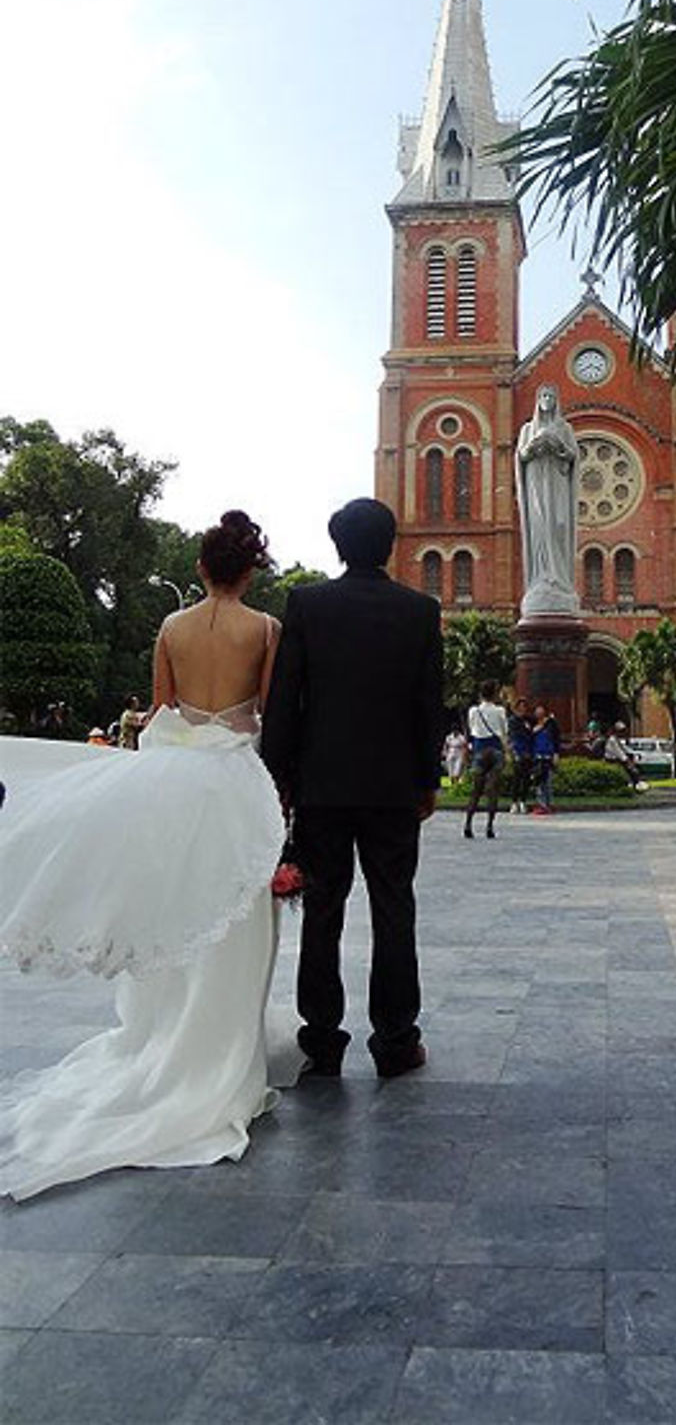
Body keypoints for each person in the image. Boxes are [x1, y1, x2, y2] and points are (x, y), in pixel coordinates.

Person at [0, 509, 286, 1201]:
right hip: (237, 782)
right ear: (249, 571)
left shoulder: (170, 628)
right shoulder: (267, 630)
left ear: (200, 568)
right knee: (236, 921)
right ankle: (222, 1059)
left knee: (170, 905)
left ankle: (165, 1041)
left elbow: (162, 712)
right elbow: (268, 715)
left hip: (172, 777)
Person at [262, 498, 443, 1080]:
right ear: (390, 546)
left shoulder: (309, 605)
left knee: (323, 912)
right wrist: (426, 779)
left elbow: (285, 701)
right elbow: (427, 707)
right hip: (393, 790)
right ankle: (395, 1041)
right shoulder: (419, 610)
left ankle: (322, 1041)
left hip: (323, 788)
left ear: (338, 546)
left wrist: (280, 779)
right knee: (395, 911)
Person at [515, 384, 579, 616]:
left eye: (551, 396)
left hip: (558, 486)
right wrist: (533, 447)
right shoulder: (527, 430)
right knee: (540, 530)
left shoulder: (565, 428)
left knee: (559, 527)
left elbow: (573, 455)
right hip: (537, 489)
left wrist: (559, 447)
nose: (547, 400)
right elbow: (520, 455)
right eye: (543, 395)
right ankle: (541, 579)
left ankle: (559, 580)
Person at [463, 680, 508, 839]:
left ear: (481, 694)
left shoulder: (473, 711)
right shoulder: (500, 711)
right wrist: (508, 753)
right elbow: (504, 733)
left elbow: (472, 729)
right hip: (495, 749)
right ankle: (489, 826)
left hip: (479, 749)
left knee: (476, 791)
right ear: (495, 693)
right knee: (492, 791)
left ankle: (468, 824)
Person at [531, 702, 560, 814]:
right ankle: (541, 804)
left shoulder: (551, 724)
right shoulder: (532, 724)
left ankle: (549, 804)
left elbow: (556, 739)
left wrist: (556, 754)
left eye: (541, 710)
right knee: (538, 781)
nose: (539, 712)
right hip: (537, 755)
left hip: (548, 755)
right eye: (537, 710)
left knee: (548, 781)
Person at [507, 696, 535, 814]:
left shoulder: (529, 720)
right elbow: (516, 736)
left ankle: (523, 801)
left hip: (529, 751)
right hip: (518, 751)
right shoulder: (513, 721)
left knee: (526, 778)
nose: (523, 709)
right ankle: (514, 802)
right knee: (517, 778)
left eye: (525, 707)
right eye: (521, 707)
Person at [604, 721, 643, 789]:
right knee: (630, 772)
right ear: (616, 731)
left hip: (618, 760)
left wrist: (633, 755)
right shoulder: (612, 740)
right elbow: (620, 754)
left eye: (623, 731)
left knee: (633, 771)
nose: (623, 733)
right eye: (621, 731)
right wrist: (629, 763)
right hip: (612, 761)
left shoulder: (618, 740)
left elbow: (625, 750)